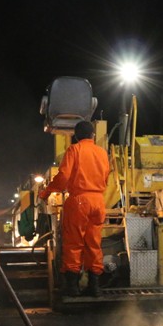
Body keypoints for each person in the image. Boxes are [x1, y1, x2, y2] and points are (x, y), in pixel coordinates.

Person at [38, 120, 110, 297]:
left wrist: (46, 192)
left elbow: (63, 177)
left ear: (76, 136)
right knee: (94, 243)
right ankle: (95, 286)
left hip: (79, 201)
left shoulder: (74, 150)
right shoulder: (102, 153)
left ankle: (72, 287)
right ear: (93, 135)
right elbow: (106, 178)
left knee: (74, 243)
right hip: (98, 201)